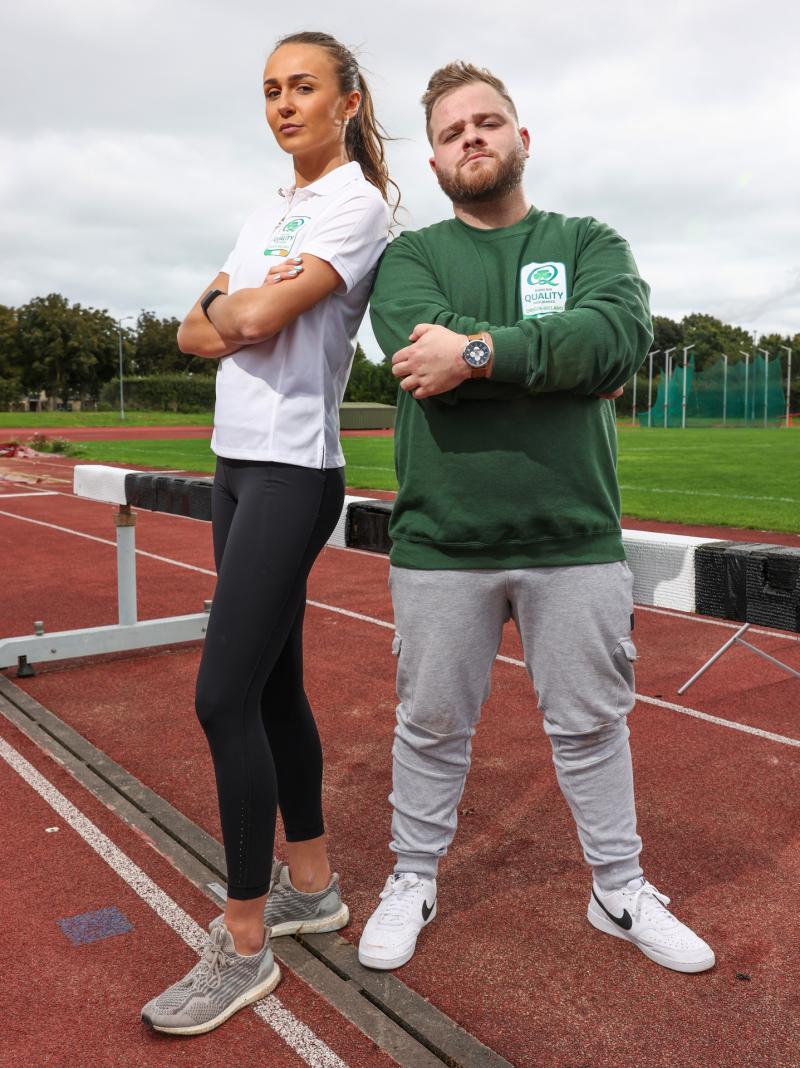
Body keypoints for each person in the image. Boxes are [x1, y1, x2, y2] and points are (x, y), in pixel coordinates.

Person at [357, 62, 715, 976]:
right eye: (450, 131)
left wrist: (474, 351)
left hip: (575, 537)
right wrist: (541, 360)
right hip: (442, 543)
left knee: (593, 725)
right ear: (435, 161)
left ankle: (619, 888)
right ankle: (413, 876)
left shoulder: (590, 240)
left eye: (487, 122)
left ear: (523, 138)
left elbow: (615, 341)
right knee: (431, 725)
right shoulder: (412, 257)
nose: (470, 137)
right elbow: (413, 355)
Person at [141, 31, 392, 1035]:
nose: (282, 105)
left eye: (301, 88)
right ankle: (314, 885)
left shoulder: (355, 205)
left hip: (294, 466)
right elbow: (191, 328)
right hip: (235, 465)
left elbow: (242, 325)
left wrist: (230, 312)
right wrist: (226, 310)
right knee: (274, 690)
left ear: (348, 101)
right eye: (268, 91)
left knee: (219, 696)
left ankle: (243, 943)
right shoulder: (268, 212)